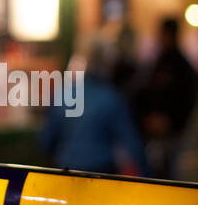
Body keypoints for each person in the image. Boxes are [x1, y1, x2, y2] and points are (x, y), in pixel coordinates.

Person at [41, 37, 148, 176]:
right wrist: (148, 176)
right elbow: (131, 144)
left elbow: (46, 141)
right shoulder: (111, 98)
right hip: (101, 174)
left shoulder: (63, 94)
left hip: (66, 173)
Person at [130, 16, 198, 179]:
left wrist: (170, 122)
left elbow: (188, 100)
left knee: (169, 175)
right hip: (156, 130)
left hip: (172, 132)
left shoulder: (181, 66)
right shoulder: (158, 62)